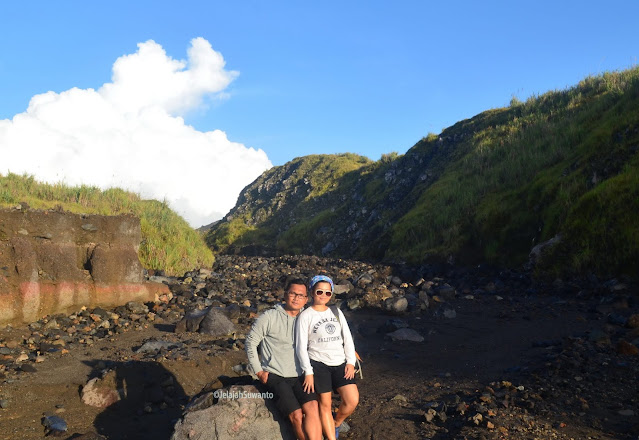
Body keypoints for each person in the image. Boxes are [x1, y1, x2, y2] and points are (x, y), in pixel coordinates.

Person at [245, 278, 322, 440]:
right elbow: (251, 342)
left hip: (301, 375)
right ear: (285, 294)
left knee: (313, 407)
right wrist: (258, 371)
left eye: (301, 295)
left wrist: (349, 352)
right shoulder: (269, 317)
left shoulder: (307, 318)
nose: (296, 298)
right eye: (293, 293)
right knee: (296, 414)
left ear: (306, 299)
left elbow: (324, 339)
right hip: (276, 376)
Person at [295, 275, 359, 440]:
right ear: (311, 292)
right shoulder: (305, 316)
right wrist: (308, 372)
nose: (323, 295)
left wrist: (350, 362)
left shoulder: (336, 311)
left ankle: (336, 423)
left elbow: (347, 338)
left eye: (327, 293)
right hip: (318, 364)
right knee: (325, 404)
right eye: (319, 291)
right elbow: (300, 346)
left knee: (352, 400)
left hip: (340, 363)